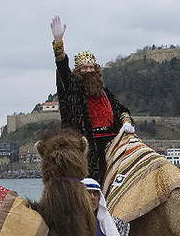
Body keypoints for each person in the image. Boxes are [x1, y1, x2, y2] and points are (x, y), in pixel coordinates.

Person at [51, 16, 135, 182]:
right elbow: (62, 69)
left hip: (113, 142)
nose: (88, 71)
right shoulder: (74, 90)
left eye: (91, 67)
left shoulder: (105, 92)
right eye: (84, 68)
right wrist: (58, 42)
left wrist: (126, 122)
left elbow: (122, 110)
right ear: (78, 71)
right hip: (89, 145)